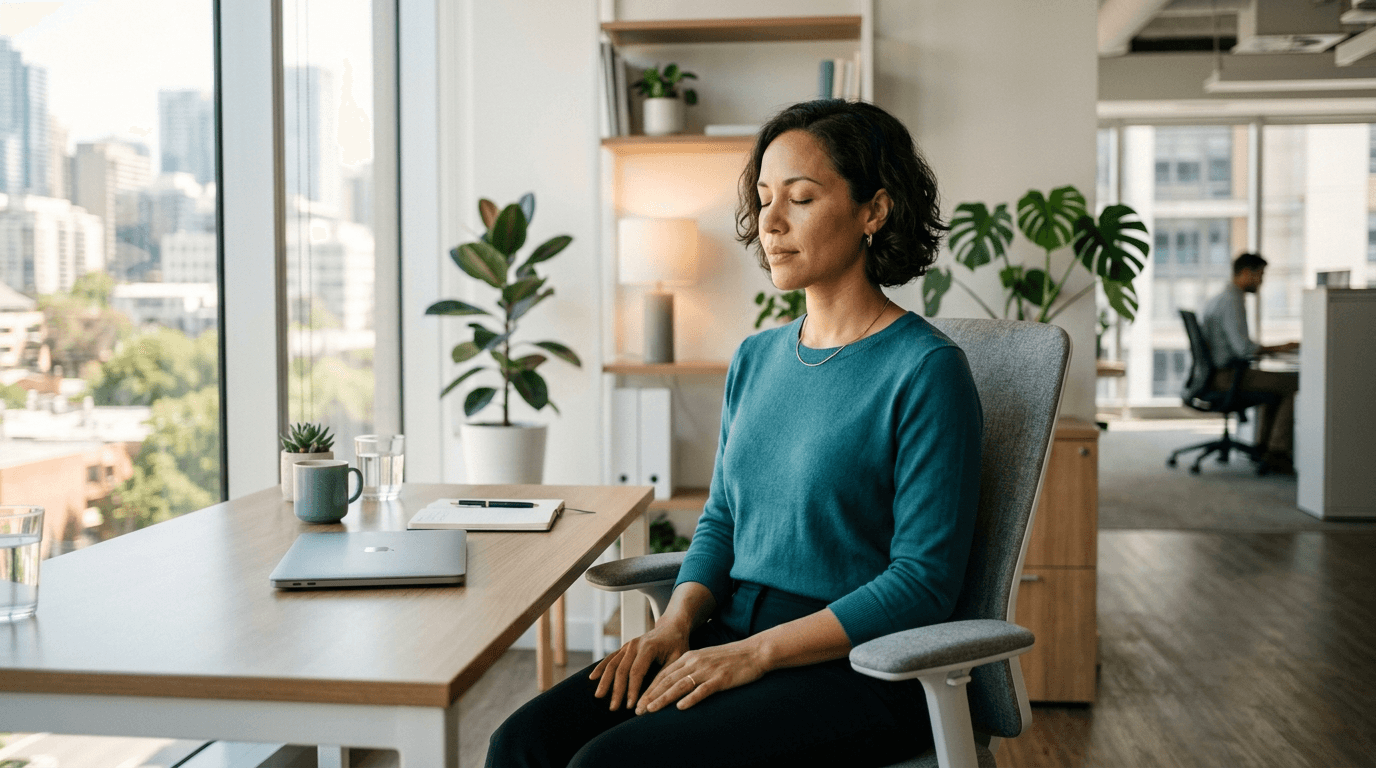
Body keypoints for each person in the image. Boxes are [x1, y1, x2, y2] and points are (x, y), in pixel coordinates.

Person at [485, 100, 983, 768]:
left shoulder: (925, 370)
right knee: (522, 742)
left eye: (801, 198)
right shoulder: (757, 357)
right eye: (763, 198)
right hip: (729, 631)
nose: (770, 224)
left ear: (875, 211)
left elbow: (923, 582)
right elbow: (721, 518)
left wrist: (755, 655)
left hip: (858, 666)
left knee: (608, 765)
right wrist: (677, 623)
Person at [1199, 252, 1300, 472]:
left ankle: (1264, 447)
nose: (1262, 282)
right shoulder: (1232, 300)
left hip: (1216, 374)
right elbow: (1243, 349)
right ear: (1246, 273)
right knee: (1293, 383)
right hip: (1227, 376)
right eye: (1260, 275)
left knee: (1273, 385)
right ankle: (1277, 452)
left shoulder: (1219, 298)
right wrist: (1283, 347)